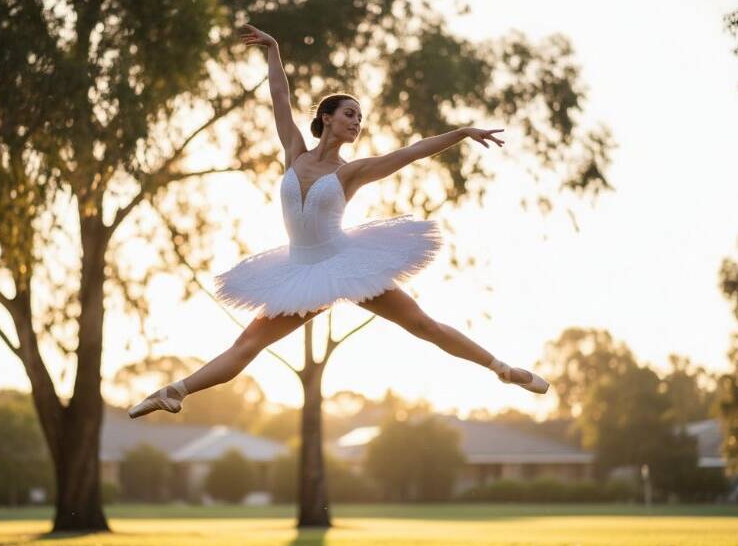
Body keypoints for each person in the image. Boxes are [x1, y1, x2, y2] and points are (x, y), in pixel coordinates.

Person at [128, 24, 548, 418]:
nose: (357, 122)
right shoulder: (294, 152)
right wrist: (273, 51)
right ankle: (173, 391)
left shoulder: (351, 172)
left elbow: (413, 151)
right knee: (247, 345)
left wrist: (461, 132)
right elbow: (279, 99)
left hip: (346, 264)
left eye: (360, 119)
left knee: (421, 324)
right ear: (327, 117)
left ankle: (502, 368)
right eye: (350, 114)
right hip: (299, 273)